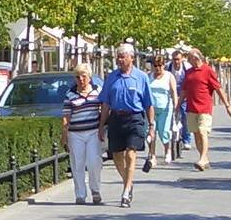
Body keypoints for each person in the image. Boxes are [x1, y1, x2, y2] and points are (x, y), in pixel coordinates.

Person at [95, 43, 154, 208]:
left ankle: (126, 191)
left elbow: (149, 103)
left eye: (122, 57)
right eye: (118, 57)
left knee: (130, 153)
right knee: (117, 155)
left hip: (135, 118)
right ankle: (128, 181)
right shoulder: (111, 77)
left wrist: (151, 125)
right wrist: (101, 125)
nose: (119, 60)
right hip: (116, 118)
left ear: (131, 58)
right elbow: (105, 103)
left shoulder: (141, 77)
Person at [180, 49, 231, 172]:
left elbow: (218, 89)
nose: (188, 61)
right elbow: (184, 90)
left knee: (203, 132)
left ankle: (203, 158)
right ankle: (204, 159)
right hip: (191, 107)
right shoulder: (189, 72)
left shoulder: (208, 71)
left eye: (189, 58)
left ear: (196, 58)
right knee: (196, 134)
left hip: (204, 107)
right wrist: (178, 105)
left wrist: (227, 105)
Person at [63, 64, 104, 204]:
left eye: (83, 76)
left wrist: (102, 126)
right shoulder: (70, 94)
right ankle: (80, 194)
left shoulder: (97, 91)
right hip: (75, 133)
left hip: (93, 131)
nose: (80, 79)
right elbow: (66, 116)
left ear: (89, 77)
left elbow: (104, 108)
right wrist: (64, 135)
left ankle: (95, 189)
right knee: (77, 164)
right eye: (77, 76)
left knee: (94, 161)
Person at [144, 53, 177, 172]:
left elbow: (173, 92)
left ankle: (167, 151)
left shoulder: (169, 76)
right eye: (155, 65)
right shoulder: (148, 77)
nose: (158, 68)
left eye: (160, 65)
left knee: (164, 131)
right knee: (150, 132)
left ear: (164, 65)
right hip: (151, 109)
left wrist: (176, 105)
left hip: (165, 108)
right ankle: (152, 155)